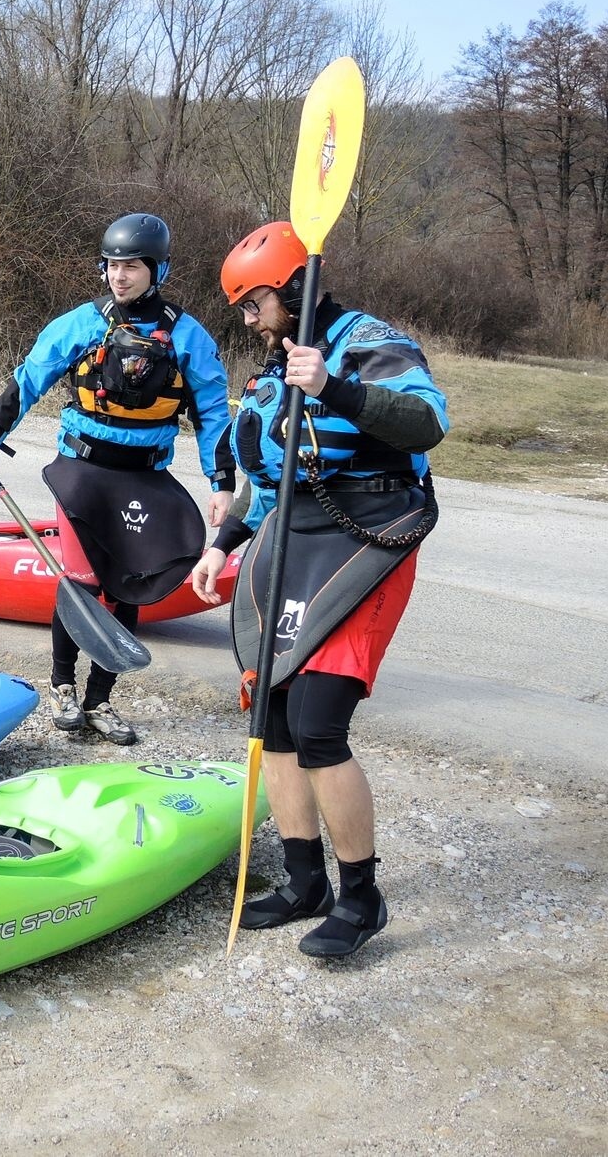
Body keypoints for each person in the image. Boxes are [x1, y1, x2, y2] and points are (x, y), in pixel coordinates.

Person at [190, 220, 449, 957]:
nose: (246, 321)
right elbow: (270, 478)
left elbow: (428, 422)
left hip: (370, 535)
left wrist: (334, 385)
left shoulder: (368, 341)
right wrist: (223, 544)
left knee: (319, 724)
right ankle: (305, 880)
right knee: (269, 709)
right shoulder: (275, 366)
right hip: (292, 539)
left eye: (253, 305)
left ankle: (362, 898)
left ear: (292, 290)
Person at [0, 214, 234, 744]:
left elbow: (212, 411)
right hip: (82, 473)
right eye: (111, 265)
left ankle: (100, 700)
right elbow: (30, 378)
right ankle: (63, 686)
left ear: (157, 270)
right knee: (83, 581)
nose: (119, 275)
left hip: (144, 478)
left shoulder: (186, 335)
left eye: (131, 266)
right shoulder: (81, 324)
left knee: (131, 586)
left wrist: (221, 481)